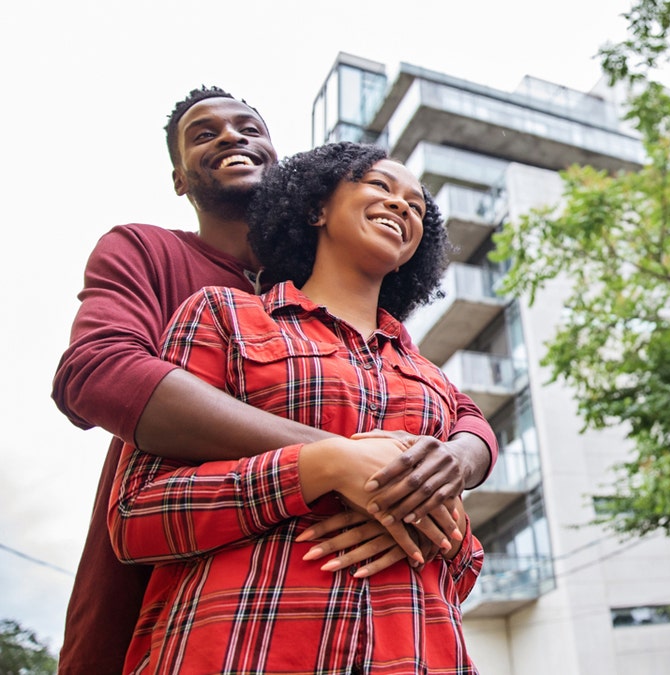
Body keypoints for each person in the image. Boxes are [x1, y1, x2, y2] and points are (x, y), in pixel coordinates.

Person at [51, 87, 496, 675]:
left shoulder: (396, 351)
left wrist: (445, 484)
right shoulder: (199, 292)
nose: (231, 137)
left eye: (249, 128)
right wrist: (334, 461)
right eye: (203, 134)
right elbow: (99, 372)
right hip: (201, 612)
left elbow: (464, 430)